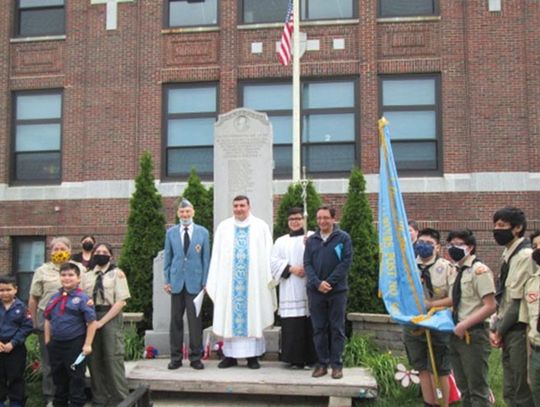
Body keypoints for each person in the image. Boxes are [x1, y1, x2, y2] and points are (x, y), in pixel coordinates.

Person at [206, 195, 276, 369]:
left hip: (253, 283)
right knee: (230, 317)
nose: (238, 209)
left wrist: (268, 277)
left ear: (249, 206)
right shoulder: (224, 227)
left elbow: (268, 255)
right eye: (235, 205)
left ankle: (253, 357)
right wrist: (215, 279)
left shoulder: (261, 227)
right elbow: (217, 256)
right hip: (230, 284)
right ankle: (230, 356)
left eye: (242, 205)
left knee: (253, 314)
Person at [28, 236, 84, 406]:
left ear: (69, 250)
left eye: (62, 249)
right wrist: (34, 321)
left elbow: (86, 295)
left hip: (73, 321)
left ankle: (73, 397)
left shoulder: (80, 269)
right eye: (55, 249)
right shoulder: (42, 270)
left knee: (73, 363)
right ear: (50, 251)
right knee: (50, 362)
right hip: (48, 320)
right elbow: (33, 298)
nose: (59, 252)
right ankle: (51, 397)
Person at [403, 228, 453, 407]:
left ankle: (443, 403)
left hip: (438, 324)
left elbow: (454, 297)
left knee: (439, 369)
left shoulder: (446, 268)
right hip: (413, 324)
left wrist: (432, 305)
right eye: (421, 243)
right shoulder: (408, 267)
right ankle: (429, 403)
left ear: (438, 247)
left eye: (429, 244)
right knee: (422, 367)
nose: (424, 247)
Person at [490, 207, 535, 407]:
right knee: (508, 387)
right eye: (495, 225)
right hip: (506, 327)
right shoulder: (508, 253)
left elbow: (517, 302)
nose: (496, 230)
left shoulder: (525, 255)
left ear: (517, 228)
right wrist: (496, 326)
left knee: (521, 387)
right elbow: (504, 296)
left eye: (501, 226)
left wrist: (498, 331)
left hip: (518, 329)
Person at [446, 229, 496, 407]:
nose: (454, 248)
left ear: (471, 247)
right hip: (455, 334)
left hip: (473, 334)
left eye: (459, 244)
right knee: (464, 388)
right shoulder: (455, 271)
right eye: (451, 244)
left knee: (477, 389)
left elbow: (490, 305)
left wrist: (464, 324)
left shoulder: (479, 270)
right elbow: (456, 299)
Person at [304, 206, 352, 379]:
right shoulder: (311, 240)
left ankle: (336, 365)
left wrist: (329, 282)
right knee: (319, 329)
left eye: (325, 218)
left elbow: (345, 262)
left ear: (333, 219)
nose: (322, 221)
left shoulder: (343, 238)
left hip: (337, 291)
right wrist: (317, 283)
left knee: (337, 328)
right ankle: (322, 363)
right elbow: (307, 264)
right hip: (316, 292)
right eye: (319, 218)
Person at [163, 198, 210, 370]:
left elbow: (206, 259)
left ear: (193, 212)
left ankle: (196, 357)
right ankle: (175, 358)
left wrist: (205, 282)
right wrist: (167, 280)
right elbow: (168, 258)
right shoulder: (171, 233)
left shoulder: (203, 232)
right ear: (178, 214)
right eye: (182, 212)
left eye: (187, 211)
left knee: (194, 321)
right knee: (175, 321)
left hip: (195, 283)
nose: (185, 214)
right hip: (176, 283)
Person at [82, 243, 130, 406]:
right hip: (90, 316)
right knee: (93, 360)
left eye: (104, 252)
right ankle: (99, 399)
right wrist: (91, 321)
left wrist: (101, 322)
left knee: (112, 358)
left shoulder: (117, 274)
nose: (101, 254)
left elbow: (121, 302)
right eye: (98, 251)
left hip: (110, 316)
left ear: (111, 255)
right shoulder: (86, 275)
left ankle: (120, 399)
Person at [44, 262, 97, 407]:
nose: (67, 278)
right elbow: (48, 319)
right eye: (63, 275)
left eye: (71, 275)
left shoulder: (83, 298)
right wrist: (48, 341)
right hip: (56, 344)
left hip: (75, 344)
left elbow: (92, 322)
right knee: (58, 379)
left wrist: (87, 344)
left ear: (78, 279)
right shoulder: (54, 297)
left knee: (76, 379)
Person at [270, 207, 316, 369]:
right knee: (293, 324)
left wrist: (307, 268)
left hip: (308, 285)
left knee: (310, 322)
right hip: (289, 286)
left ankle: (312, 359)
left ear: (303, 220)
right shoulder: (280, 241)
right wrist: (290, 268)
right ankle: (294, 359)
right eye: (292, 219)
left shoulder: (311, 237)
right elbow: (273, 261)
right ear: (288, 222)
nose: (295, 221)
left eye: (298, 218)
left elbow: (321, 255)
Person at [0, 276, 33, 407]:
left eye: (8, 289)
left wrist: (13, 343)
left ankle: (16, 402)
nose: (5, 293)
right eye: (1, 290)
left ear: (15, 290)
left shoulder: (22, 308)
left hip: (15, 347)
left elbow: (27, 327)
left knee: (16, 376)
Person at [520, 230, 540, 406]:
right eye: (535, 247)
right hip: (536, 353)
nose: (538, 250)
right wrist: (528, 364)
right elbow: (528, 326)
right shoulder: (531, 283)